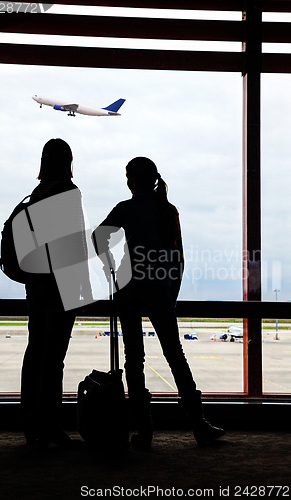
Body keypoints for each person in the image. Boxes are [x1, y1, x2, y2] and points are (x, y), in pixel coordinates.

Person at [92, 157, 225, 449]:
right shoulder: (167, 210)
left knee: (133, 361)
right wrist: (170, 294)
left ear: (133, 180)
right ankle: (198, 424)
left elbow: (98, 236)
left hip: (129, 289)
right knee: (175, 356)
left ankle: (144, 429)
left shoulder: (125, 209)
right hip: (160, 290)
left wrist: (112, 270)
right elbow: (178, 259)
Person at [21, 138, 91, 449]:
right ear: (69, 161)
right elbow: (73, 245)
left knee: (35, 352)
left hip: (36, 286)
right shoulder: (67, 191)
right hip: (60, 287)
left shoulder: (36, 194)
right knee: (53, 359)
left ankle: (31, 425)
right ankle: (50, 427)